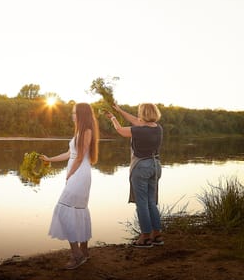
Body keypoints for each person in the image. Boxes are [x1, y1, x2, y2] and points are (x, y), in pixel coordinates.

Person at [39, 102, 99, 269]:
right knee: (77, 210)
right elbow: (69, 154)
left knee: (64, 209)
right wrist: (49, 159)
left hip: (80, 174)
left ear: (82, 115)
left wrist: (70, 173)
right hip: (77, 173)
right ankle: (84, 252)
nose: (72, 116)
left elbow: (79, 157)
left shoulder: (87, 131)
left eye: (74, 113)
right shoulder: (79, 132)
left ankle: (77, 254)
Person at [107, 103, 164, 248]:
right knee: (151, 201)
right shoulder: (158, 128)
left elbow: (120, 130)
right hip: (155, 166)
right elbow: (136, 121)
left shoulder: (139, 130)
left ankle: (145, 237)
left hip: (141, 167)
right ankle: (157, 235)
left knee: (142, 203)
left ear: (142, 114)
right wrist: (120, 111)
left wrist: (113, 117)